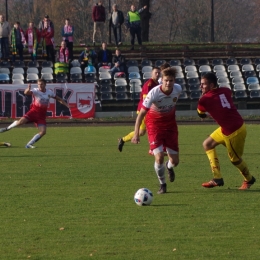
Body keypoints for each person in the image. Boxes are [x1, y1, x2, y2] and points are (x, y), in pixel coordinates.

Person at [197, 72, 256, 190]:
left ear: (212, 85)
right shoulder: (225, 90)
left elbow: (200, 114)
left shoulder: (205, 99)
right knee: (207, 144)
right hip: (228, 127)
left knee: (235, 160)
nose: (201, 86)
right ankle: (217, 177)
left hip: (234, 131)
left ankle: (249, 179)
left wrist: (206, 108)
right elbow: (228, 94)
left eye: (203, 84)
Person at [131, 67, 182, 194]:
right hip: (154, 126)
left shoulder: (178, 89)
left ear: (174, 80)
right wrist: (136, 133)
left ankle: (169, 167)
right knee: (159, 157)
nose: (168, 83)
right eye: (166, 80)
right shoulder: (154, 93)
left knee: (175, 162)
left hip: (170, 126)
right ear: (162, 80)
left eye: (170, 80)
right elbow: (141, 114)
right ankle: (162, 184)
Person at [0, 79, 70, 149]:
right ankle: (7, 128)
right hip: (33, 112)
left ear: (45, 84)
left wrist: (66, 105)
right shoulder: (35, 90)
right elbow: (26, 92)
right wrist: (28, 89)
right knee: (20, 122)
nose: (40, 86)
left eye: (41, 84)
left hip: (41, 116)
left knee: (43, 132)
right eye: (39, 84)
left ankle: (29, 144)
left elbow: (58, 99)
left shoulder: (49, 92)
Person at [118, 66, 161, 152]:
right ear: (151, 73)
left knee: (141, 132)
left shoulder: (156, 84)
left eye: (158, 72)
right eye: (155, 72)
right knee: (153, 127)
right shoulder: (149, 84)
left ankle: (122, 140)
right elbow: (146, 99)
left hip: (150, 109)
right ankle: (154, 148)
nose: (157, 74)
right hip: (145, 110)